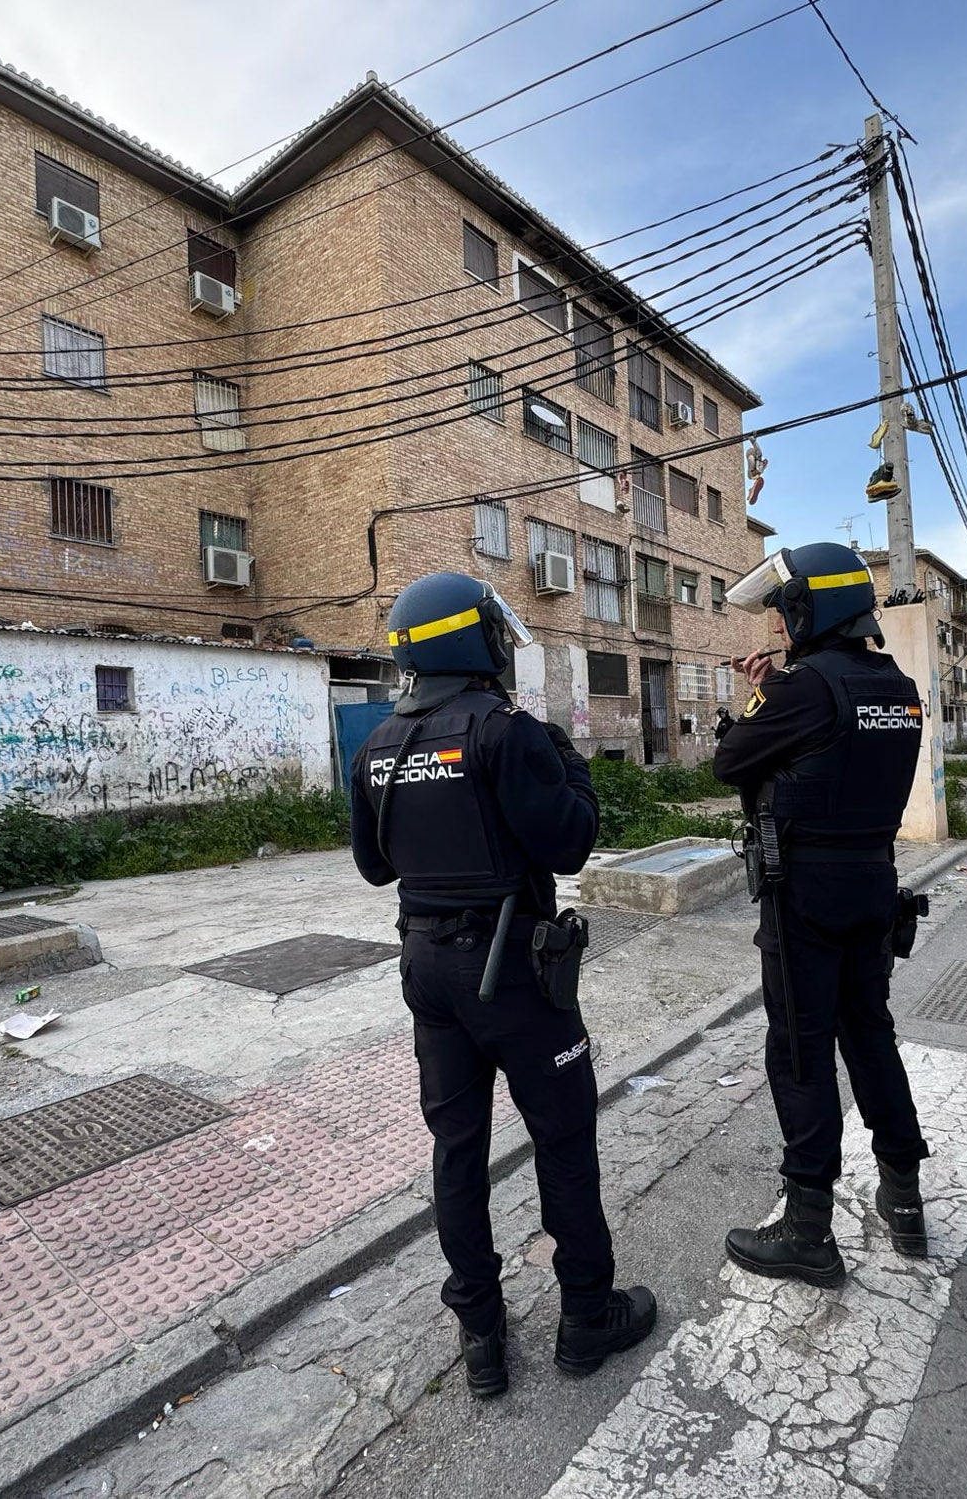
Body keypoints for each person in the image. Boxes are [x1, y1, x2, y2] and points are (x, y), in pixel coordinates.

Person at [350, 571, 657, 1399]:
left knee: (457, 1151)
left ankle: (481, 1335)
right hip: (512, 972)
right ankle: (587, 1318)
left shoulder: (378, 743)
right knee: (563, 1141)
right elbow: (570, 845)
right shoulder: (506, 730)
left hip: (427, 972)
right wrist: (570, 765)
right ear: (472, 640)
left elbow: (375, 867)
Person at [713, 542, 931, 1283]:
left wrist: (757, 695)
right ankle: (904, 1201)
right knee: (870, 1035)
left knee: (801, 1050)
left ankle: (808, 1227)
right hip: (874, 882)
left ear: (810, 608)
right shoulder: (896, 685)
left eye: (783, 609)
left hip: (804, 893)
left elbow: (731, 760)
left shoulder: (803, 687)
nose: (777, 624)